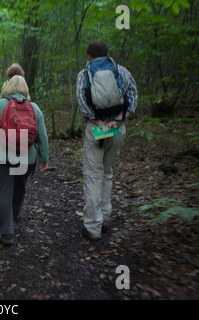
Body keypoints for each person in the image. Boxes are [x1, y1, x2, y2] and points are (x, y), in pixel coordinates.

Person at [76, 40, 138, 240]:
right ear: (108, 53)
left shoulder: (84, 74)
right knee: (107, 172)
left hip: (97, 129)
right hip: (118, 128)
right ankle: (106, 216)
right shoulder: (122, 72)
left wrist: (101, 123)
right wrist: (119, 120)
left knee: (93, 175)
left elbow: (83, 105)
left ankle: (93, 226)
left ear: (89, 56)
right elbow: (133, 97)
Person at [0, 75, 49, 246]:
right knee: (20, 185)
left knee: (4, 190)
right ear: (26, 89)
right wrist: (44, 158)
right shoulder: (34, 108)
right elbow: (42, 137)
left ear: (7, 88)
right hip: (27, 158)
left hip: (4, 157)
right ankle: (15, 212)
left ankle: (7, 233)